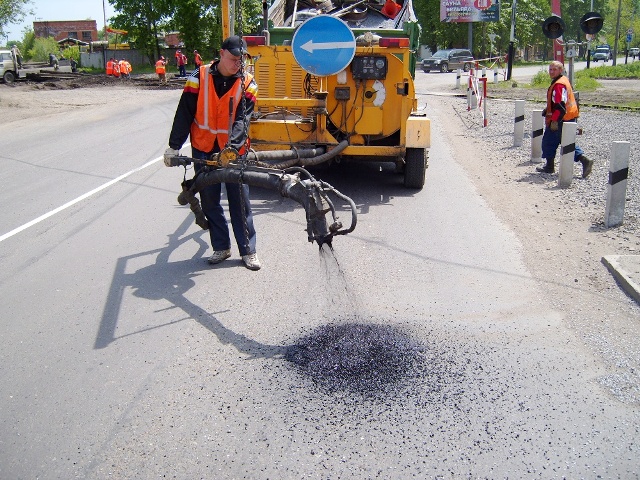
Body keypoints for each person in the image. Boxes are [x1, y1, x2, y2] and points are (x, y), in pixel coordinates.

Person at [163, 35, 261, 270]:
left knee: (239, 200)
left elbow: (242, 121)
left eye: (241, 59)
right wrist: (174, 145)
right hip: (204, 148)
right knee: (210, 200)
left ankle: (248, 251)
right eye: (233, 58)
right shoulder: (199, 77)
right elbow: (184, 113)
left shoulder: (248, 83)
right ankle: (221, 247)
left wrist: (232, 149)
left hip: (234, 151)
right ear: (221, 54)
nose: (238, 63)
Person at [537, 60, 593, 178]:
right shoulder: (564, 80)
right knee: (566, 142)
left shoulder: (558, 84)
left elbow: (560, 106)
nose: (551, 72)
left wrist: (554, 121)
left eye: (554, 69)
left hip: (561, 119)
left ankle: (549, 166)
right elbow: (560, 101)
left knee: (548, 142)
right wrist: (547, 109)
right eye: (550, 69)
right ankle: (584, 160)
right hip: (569, 117)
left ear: (560, 70)